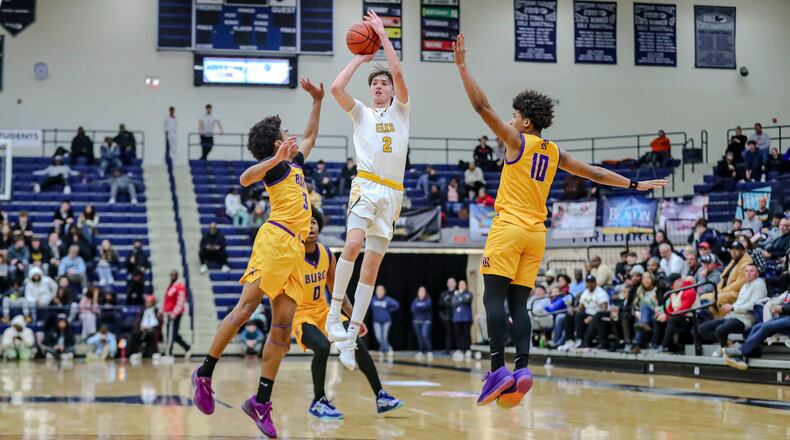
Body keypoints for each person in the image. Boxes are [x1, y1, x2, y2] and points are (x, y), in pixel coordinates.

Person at [451, 32, 666, 407]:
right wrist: (634, 182)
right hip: (537, 234)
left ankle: (497, 369)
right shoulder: (554, 151)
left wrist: (462, 67)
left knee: (493, 298)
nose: (510, 120)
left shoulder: (517, 142)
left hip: (509, 227)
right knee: (520, 304)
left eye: (515, 116)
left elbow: (481, 106)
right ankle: (523, 369)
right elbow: (596, 174)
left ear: (527, 122)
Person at [191, 77, 324, 438]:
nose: (292, 133)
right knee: (245, 309)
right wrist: (273, 160)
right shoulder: (277, 166)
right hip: (276, 240)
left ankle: (261, 401)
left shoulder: (294, 164)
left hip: (295, 251)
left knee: (281, 329)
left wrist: (317, 100)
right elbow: (246, 177)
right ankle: (204, 374)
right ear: (277, 142)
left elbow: (311, 136)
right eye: (285, 130)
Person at [325, 10, 411, 373]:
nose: (378, 87)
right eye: (374, 85)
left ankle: (349, 336)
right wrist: (360, 59)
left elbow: (400, 73)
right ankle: (333, 315)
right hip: (366, 185)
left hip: (393, 194)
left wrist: (383, 37)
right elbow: (335, 89)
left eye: (383, 84)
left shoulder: (401, 113)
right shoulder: (361, 112)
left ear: (391, 91)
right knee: (354, 244)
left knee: (372, 266)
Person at [290, 208, 403, 419]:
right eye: (306, 223)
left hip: (323, 311)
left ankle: (381, 395)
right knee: (322, 347)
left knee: (355, 341)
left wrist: (353, 319)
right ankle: (319, 400)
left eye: (314, 222)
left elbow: (337, 291)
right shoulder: (292, 255)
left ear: (319, 226)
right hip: (300, 316)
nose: (311, 226)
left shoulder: (326, 254)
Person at [698, 264, 766, 355]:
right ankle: (729, 344)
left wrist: (733, 307)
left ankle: (724, 349)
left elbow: (754, 306)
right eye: (746, 271)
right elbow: (739, 303)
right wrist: (729, 306)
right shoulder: (745, 285)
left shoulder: (759, 284)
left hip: (745, 319)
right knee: (703, 329)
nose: (748, 273)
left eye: (751, 271)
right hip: (732, 316)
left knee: (720, 330)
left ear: (757, 274)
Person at [724, 292, 790, 370]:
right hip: (786, 315)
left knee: (767, 327)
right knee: (757, 327)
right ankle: (748, 353)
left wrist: (782, 308)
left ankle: (741, 352)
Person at [162, 270, 191, 359]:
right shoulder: (171, 286)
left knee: (171, 334)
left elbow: (180, 302)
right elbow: (167, 301)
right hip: (168, 313)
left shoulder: (180, 287)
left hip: (174, 315)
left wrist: (174, 314)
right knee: (172, 334)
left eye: (173, 275)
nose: (172, 277)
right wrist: (163, 311)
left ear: (177, 276)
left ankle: (168, 353)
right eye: (171, 275)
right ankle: (187, 347)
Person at [370, 285, 400, 357]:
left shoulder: (387, 300)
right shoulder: (373, 300)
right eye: (378, 291)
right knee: (378, 336)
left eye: (381, 291)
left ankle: (382, 350)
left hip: (386, 321)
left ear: (384, 292)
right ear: (376, 292)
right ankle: (388, 348)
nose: (379, 292)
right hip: (376, 321)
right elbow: (369, 307)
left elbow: (396, 305)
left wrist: (389, 310)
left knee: (384, 336)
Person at [451, 280, 473, 361]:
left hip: (466, 318)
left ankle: (467, 349)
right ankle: (460, 349)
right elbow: (453, 303)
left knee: (466, 334)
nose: (462, 286)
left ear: (466, 285)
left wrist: (459, 296)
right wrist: (460, 298)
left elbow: (467, 300)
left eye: (463, 285)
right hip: (457, 319)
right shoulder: (455, 295)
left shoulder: (469, 294)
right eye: (460, 285)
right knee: (458, 335)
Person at [411, 286, 433, 361]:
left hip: (426, 321)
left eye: (423, 291)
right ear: (418, 293)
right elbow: (413, 309)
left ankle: (429, 351)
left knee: (425, 335)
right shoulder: (415, 300)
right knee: (419, 337)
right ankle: (421, 351)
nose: (421, 293)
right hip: (416, 322)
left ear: (425, 293)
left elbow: (427, 306)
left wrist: (419, 307)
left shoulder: (428, 300)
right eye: (420, 291)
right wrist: (421, 307)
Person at [439, 278, 457, 353]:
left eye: (452, 282)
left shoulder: (457, 293)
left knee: (458, 334)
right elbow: (440, 304)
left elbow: (457, 303)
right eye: (449, 282)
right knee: (448, 334)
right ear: (447, 284)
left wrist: (448, 303)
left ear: (455, 284)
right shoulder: (444, 294)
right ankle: (447, 350)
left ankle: (459, 350)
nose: (451, 284)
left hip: (457, 317)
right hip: (447, 317)